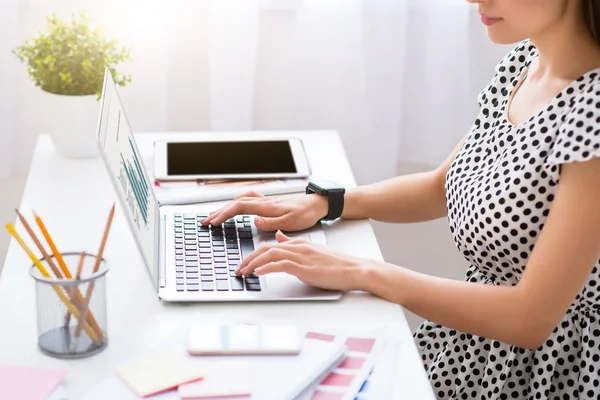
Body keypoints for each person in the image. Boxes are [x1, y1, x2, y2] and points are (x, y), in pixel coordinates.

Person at [201, 0, 600, 398]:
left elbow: (529, 318)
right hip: (473, 349)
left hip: (551, 371)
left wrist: (363, 272)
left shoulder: (593, 114)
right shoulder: (526, 60)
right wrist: (326, 203)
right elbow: (442, 184)